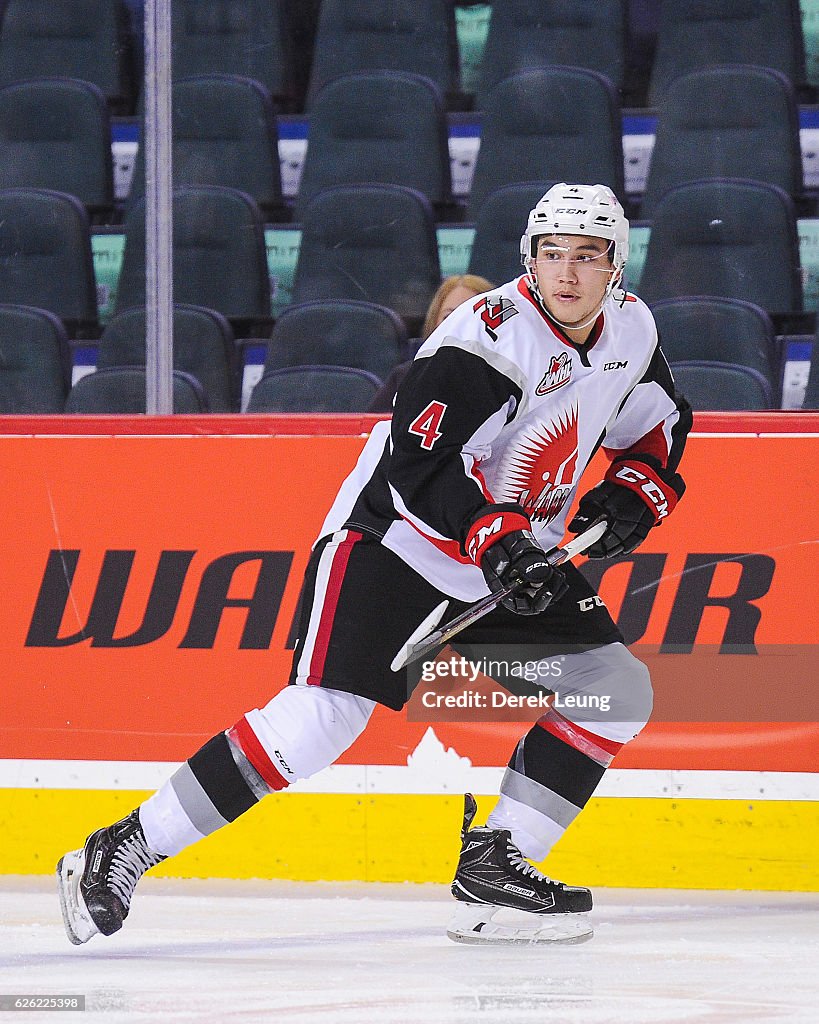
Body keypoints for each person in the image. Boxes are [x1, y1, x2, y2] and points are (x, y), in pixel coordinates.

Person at [57, 183, 691, 946]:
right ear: (528, 259)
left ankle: (498, 865)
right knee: (320, 721)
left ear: (615, 266)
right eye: (550, 254)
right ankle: (123, 845)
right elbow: (419, 462)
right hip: (397, 542)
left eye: (585, 257)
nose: (566, 273)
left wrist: (630, 494)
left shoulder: (630, 331)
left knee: (612, 688)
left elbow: (657, 424)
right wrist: (502, 539)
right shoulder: (484, 337)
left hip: (506, 555)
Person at [368, 274, 494, 413]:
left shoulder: (509, 384)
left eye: (471, 317)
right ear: (435, 322)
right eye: (448, 316)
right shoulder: (405, 377)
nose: (458, 325)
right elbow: (372, 430)